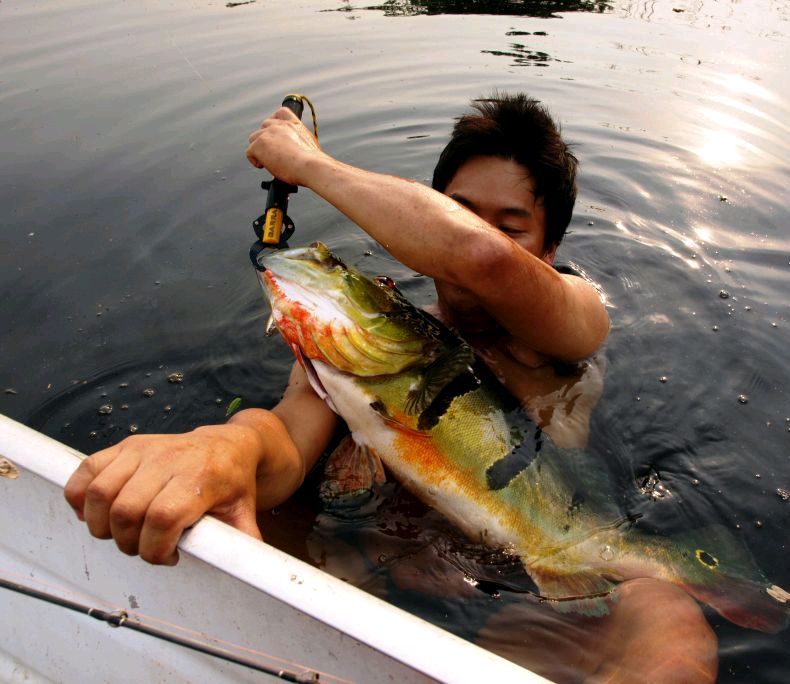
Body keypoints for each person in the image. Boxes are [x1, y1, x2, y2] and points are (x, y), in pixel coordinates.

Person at [64, 93, 716, 682]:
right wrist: (219, 450)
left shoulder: (575, 323)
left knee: (665, 621)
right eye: (458, 211)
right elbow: (288, 430)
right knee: (247, 516)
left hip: (525, 584)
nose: (485, 234)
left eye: (512, 224)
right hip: (373, 552)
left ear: (546, 249)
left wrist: (308, 163)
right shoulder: (379, 337)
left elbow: (482, 260)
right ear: (427, 215)